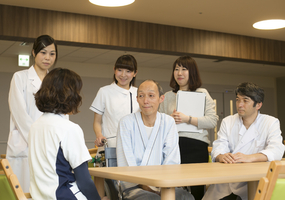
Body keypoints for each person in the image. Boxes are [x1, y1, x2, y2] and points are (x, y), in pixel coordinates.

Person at [29, 68, 107, 200]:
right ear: (70, 95)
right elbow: (85, 182)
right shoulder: (69, 129)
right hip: (64, 196)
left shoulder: (35, 126)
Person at [203, 82, 285, 200]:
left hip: (254, 181)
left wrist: (250, 157)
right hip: (226, 180)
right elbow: (219, 145)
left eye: (245, 101)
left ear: (258, 105)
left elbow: (276, 150)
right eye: (237, 100)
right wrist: (222, 156)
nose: (240, 105)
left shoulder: (270, 122)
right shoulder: (228, 121)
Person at [116, 80, 194, 200]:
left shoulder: (168, 122)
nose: (146, 101)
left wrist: (161, 185)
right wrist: (147, 186)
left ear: (161, 98)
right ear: (137, 99)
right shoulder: (126, 123)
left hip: (164, 183)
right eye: (141, 96)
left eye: (151, 96)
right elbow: (126, 163)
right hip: (134, 185)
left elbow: (172, 160)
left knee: (186, 197)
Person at [159, 55, 218, 200]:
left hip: (196, 146)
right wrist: (169, 120)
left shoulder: (202, 93)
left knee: (197, 189)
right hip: (173, 145)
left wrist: (188, 119)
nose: (179, 73)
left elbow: (212, 121)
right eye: (176, 69)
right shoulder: (167, 96)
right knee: (172, 186)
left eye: (184, 69)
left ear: (192, 72)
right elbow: (158, 122)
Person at [6, 35, 58, 192]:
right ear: (34, 53)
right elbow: (18, 112)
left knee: (47, 192)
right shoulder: (20, 77)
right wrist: (37, 137)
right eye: (43, 52)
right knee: (24, 191)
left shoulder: (55, 81)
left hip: (50, 145)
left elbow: (61, 113)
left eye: (52, 53)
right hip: (25, 142)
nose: (47, 58)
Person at [90, 54, 140, 148]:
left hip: (135, 145)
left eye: (128, 71)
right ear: (114, 70)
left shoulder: (139, 93)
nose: (123, 75)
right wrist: (99, 135)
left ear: (135, 73)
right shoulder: (104, 91)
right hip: (112, 145)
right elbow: (97, 121)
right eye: (119, 70)